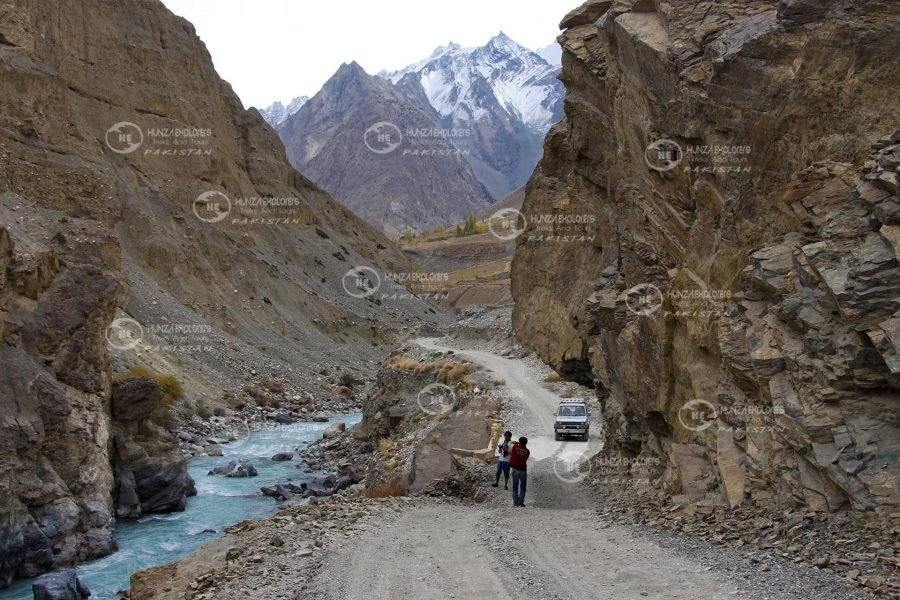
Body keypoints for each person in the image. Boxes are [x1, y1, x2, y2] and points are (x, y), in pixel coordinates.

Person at [509, 436, 530, 507]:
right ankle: (520, 502)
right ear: (526, 443)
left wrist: (516, 443)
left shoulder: (515, 447)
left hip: (515, 469)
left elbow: (510, 443)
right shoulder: (527, 451)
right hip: (523, 470)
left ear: (519, 441)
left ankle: (515, 502)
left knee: (515, 486)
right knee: (523, 486)